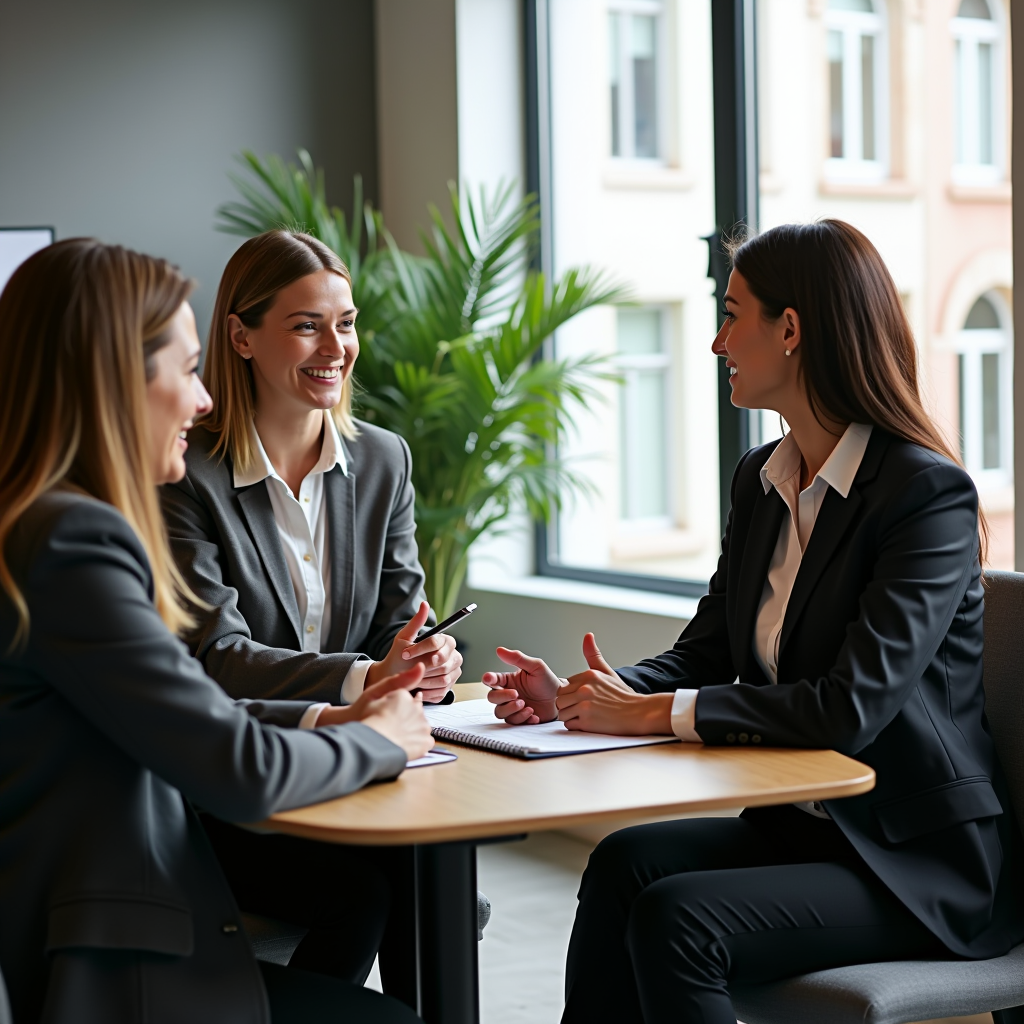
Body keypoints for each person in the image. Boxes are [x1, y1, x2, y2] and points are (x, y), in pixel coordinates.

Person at [484, 221, 1024, 1023]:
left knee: (680, 921)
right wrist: (590, 695)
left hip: (915, 864)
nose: (714, 341)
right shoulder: (759, 481)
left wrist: (652, 714)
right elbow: (707, 651)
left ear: (792, 330)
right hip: (806, 835)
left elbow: (849, 706)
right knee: (624, 863)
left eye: (732, 314)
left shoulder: (925, 496)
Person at [0, 238, 429, 1023]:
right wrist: (383, 741)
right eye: (189, 369)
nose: (203, 402)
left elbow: (186, 704)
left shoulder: (45, 526)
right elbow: (235, 765)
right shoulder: (72, 544)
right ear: (115, 380)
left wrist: (334, 715)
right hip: (121, 969)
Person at [158, 229, 462, 1001]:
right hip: (236, 782)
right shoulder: (183, 474)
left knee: (426, 868)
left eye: (347, 322)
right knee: (366, 890)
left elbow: (402, 618)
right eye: (306, 325)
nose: (337, 346)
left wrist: (426, 661)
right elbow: (214, 655)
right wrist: (368, 676)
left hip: (358, 769)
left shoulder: (383, 459)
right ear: (241, 336)